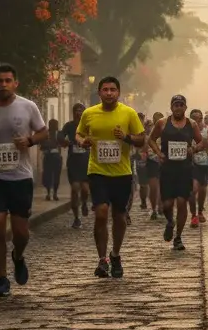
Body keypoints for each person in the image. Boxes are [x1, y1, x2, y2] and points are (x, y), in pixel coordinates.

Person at [0, 63, 48, 296]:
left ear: (15, 83)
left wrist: (31, 141)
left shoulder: (28, 106)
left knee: (21, 232)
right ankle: (2, 278)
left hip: (20, 177)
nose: (3, 84)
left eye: (7, 80)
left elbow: (43, 132)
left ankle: (18, 255)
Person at [76, 76, 146, 278]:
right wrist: (82, 142)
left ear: (118, 92)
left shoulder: (128, 113)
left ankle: (115, 254)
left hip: (122, 173)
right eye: (105, 90)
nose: (109, 93)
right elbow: (78, 134)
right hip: (97, 171)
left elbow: (141, 139)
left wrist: (125, 137)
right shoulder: (89, 113)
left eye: (112, 90)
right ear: (99, 93)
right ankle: (102, 260)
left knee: (119, 216)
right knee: (101, 213)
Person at [149, 95, 201, 251]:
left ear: (185, 107)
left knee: (181, 202)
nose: (178, 107)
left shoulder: (191, 124)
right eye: (175, 105)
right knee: (167, 203)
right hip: (167, 169)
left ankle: (178, 237)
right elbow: (151, 139)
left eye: (181, 105)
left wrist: (193, 149)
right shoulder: (162, 123)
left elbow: (201, 142)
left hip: (185, 169)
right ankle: (170, 221)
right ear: (171, 107)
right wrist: (159, 153)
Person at [59, 102, 90, 229]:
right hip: (73, 162)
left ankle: (84, 203)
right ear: (73, 112)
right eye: (77, 110)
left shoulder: (89, 126)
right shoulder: (69, 126)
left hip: (87, 162)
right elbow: (60, 135)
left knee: (85, 189)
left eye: (81, 110)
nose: (79, 112)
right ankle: (76, 218)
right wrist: (64, 141)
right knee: (75, 188)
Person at [189, 108, 208, 227]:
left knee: (202, 190)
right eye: (194, 119)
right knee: (193, 190)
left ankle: (200, 211)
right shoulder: (186, 129)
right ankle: (193, 215)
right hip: (191, 164)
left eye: (199, 118)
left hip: (204, 163)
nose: (197, 121)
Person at [146, 111, 164, 219]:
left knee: (162, 186)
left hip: (164, 161)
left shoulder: (167, 130)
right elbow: (145, 143)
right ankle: (153, 209)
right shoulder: (149, 130)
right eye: (155, 119)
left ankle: (161, 207)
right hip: (152, 161)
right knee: (153, 187)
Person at [40, 118, 62, 201]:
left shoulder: (58, 134)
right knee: (48, 175)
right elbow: (42, 145)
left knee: (56, 175)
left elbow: (63, 142)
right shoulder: (46, 134)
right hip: (48, 156)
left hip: (56, 157)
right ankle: (49, 193)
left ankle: (54, 193)